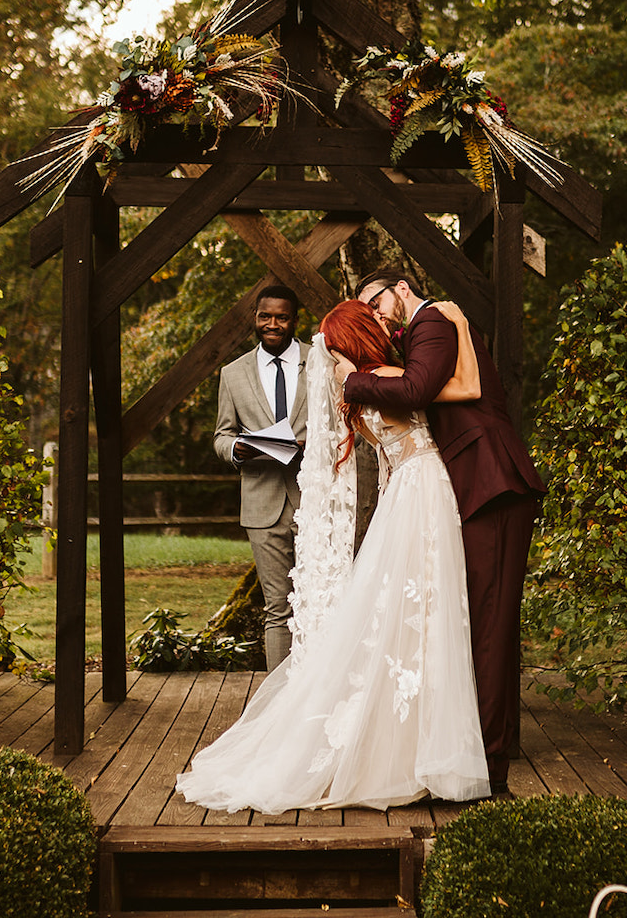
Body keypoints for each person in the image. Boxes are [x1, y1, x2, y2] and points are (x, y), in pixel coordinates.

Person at [177, 299, 490, 811]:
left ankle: (405, 745)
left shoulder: (353, 393)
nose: (388, 325)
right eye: (377, 323)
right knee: (427, 613)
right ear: (365, 335)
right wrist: (458, 322)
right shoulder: (388, 376)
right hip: (424, 492)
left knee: (400, 616)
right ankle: (420, 748)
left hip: (401, 497)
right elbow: (468, 387)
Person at [338, 268, 546, 799]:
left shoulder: (433, 318)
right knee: (468, 623)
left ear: (401, 288)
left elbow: (416, 389)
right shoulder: (422, 330)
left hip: (489, 482)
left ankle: (492, 770)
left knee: (490, 627)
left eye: (378, 303)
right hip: (463, 488)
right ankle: (464, 754)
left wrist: (349, 381)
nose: (378, 316)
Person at [213, 286, 308, 670]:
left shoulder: (320, 363)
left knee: (321, 600)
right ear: (255, 317)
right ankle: (279, 703)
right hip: (261, 502)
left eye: (281, 317)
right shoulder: (232, 374)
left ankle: (317, 695)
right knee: (277, 607)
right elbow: (221, 435)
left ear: (294, 320)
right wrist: (237, 449)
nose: (273, 324)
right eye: (265, 316)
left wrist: (313, 444)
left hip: (314, 499)